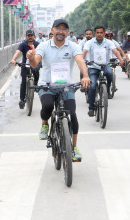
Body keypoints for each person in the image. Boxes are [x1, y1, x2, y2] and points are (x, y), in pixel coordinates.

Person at [26, 19, 90, 161]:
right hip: (47, 85)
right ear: (52, 30)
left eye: (64, 29)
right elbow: (36, 61)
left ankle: (73, 148)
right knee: (48, 106)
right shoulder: (44, 45)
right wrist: (31, 58)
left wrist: (85, 76)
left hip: (66, 86)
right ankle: (44, 125)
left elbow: (80, 60)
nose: (61, 31)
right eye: (58, 28)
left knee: (72, 114)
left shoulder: (73, 46)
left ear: (67, 32)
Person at [83, 26, 124, 115]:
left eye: (101, 32)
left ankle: (107, 89)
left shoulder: (108, 42)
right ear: (95, 34)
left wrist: (120, 59)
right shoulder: (90, 43)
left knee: (110, 74)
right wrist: (82, 60)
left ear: (104, 33)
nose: (99, 34)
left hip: (105, 65)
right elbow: (85, 52)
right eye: (97, 32)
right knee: (92, 86)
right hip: (93, 67)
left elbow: (115, 51)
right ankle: (91, 108)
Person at [10, 29, 40, 109]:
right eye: (28, 36)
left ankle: (35, 84)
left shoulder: (38, 44)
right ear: (26, 37)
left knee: (36, 71)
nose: (30, 37)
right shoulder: (23, 44)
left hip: (34, 64)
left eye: (31, 36)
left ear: (34, 36)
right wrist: (13, 59)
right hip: (25, 65)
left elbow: (42, 53)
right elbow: (18, 52)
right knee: (23, 82)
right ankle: (22, 100)